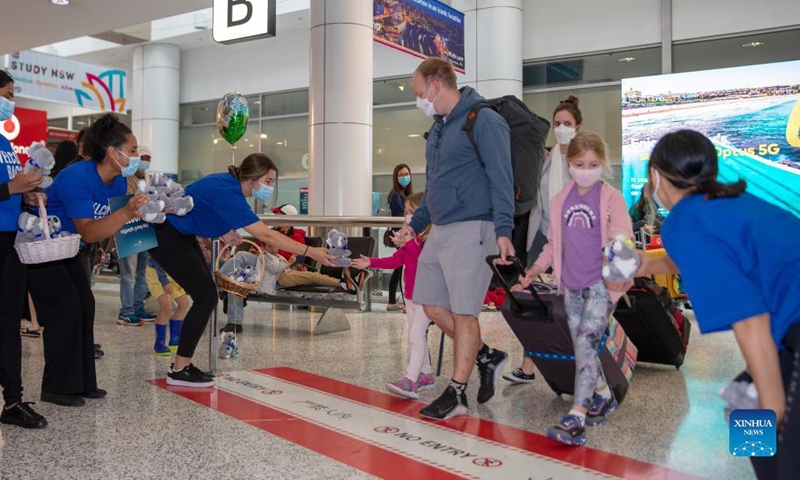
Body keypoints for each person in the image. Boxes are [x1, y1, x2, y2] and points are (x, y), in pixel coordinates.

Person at [636, 129, 800, 479]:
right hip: (790, 327)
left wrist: (772, 404)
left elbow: (749, 318)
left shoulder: (684, 221)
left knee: (774, 434)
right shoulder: (720, 204)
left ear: (655, 176)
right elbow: (712, 257)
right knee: (743, 400)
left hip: (791, 326)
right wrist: (648, 263)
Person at [147, 153, 334, 387]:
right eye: (268, 181)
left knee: (207, 296)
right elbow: (265, 234)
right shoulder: (229, 193)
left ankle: (181, 366)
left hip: (179, 234)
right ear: (253, 178)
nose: (270, 187)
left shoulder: (226, 183)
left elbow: (199, 203)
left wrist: (221, 229)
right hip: (167, 236)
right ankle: (179, 370)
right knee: (205, 298)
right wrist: (311, 251)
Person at [395, 58, 514, 420]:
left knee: (464, 313)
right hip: (441, 229)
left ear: (435, 85)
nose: (419, 101)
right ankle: (486, 356)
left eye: (420, 94)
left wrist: (504, 230)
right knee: (430, 304)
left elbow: (501, 177)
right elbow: (434, 188)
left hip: (474, 226)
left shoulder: (484, 120)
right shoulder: (440, 128)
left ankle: (458, 393)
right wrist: (414, 226)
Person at [520, 131, 633, 446]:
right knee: (581, 346)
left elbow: (622, 230)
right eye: (580, 163)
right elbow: (553, 245)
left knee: (585, 342)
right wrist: (536, 269)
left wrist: (619, 243)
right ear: (569, 163)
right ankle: (602, 394)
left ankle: (576, 418)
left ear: (602, 164)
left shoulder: (611, 198)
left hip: (601, 283)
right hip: (570, 284)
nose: (586, 169)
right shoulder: (559, 201)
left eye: (593, 164)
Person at [28, 113, 148, 407]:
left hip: (70, 249)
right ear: (112, 151)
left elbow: (107, 226)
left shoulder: (119, 183)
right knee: (65, 307)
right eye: (132, 150)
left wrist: (109, 242)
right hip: (42, 247)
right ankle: (56, 387)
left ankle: (82, 382)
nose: (136, 156)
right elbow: (88, 228)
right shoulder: (76, 177)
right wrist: (126, 213)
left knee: (85, 304)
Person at [505, 96, 585, 385]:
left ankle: (581, 367)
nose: (561, 128)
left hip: (574, 239)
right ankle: (528, 366)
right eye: (557, 124)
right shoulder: (547, 158)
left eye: (567, 124)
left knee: (572, 303)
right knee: (534, 297)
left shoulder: (582, 161)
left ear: (578, 127)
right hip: (544, 234)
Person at [0, 69, 48, 429]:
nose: (10, 102)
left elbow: (11, 188)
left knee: (7, 325)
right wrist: (11, 189)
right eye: (6, 93)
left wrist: (26, 195)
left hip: (10, 241)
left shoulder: (4, 143)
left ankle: (13, 401)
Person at [353, 193, 434, 399]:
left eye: (411, 212)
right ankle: (425, 374)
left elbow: (425, 259)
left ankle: (411, 379)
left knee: (415, 336)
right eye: (406, 212)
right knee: (418, 336)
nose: (407, 216)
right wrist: (370, 262)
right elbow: (395, 261)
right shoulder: (412, 240)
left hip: (427, 296)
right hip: (410, 295)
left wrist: (408, 242)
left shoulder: (430, 239)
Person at [116, 144, 156, 326]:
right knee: (128, 274)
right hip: (128, 230)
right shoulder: (124, 178)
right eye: (142, 159)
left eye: (148, 160)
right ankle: (126, 311)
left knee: (142, 272)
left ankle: (138, 306)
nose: (145, 163)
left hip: (145, 229)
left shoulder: (148, 179)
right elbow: (122, 202)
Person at [146, 257, 187, 356]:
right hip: (157, 272)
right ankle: (159, 343)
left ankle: (175, 339)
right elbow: (158, 257)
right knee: (166, 306)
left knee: (183, 303)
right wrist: (164, 280)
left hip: (172, 272)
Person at [386, 163, 413, 312]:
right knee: (402, 268)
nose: (404, 177)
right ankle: (403, 302)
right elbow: (402, 216)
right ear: (396, 178)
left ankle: (392, 301)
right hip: (401, 236)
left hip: (403, 235)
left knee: (398, 267)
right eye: (401, 175)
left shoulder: (405, 194)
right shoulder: (396, 195)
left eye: (406, 174)